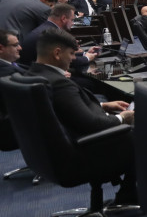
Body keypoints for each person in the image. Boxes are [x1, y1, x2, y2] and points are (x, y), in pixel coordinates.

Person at [29, 29, 136, 203]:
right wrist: (123, 118)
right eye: (71, 54)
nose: (73, 59)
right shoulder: (59, 83)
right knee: (140, 133)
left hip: (52, 155)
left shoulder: (34, 74)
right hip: (82, 153)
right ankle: (128, 194)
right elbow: (92, 124)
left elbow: (65, 109)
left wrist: (103, 105)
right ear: (57, 53)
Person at [19, 3, 99, 68]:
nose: (73, 23)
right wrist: (87, 58)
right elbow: (63, 60)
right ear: (63, 18)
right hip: (37, 78)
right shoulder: (52, 34)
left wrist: (84, 54)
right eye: (72, 20)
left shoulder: (46, 28)